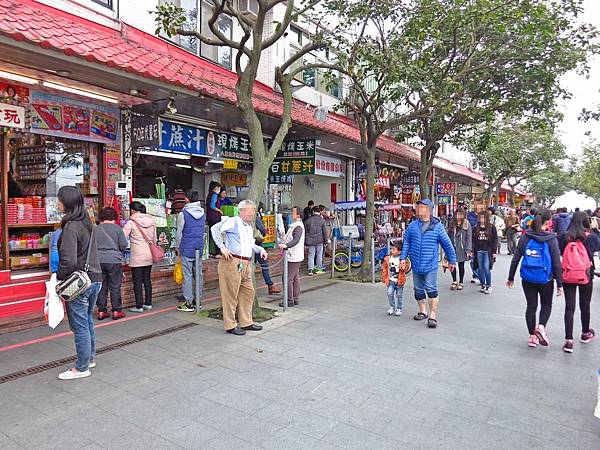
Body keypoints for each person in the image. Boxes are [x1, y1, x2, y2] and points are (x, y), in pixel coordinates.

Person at [56, 186, 102, 380]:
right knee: (87, 320)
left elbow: (68, 261)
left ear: (67, 203)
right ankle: (89, 358)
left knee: (80, 325)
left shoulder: (71, 227)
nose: (57, 203)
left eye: (59, 200)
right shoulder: (87, 222)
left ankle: (82, 367)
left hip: (79, 283)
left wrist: (58, 278)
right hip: (95, 279)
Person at [507, 210, 563, 348]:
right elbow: (556, 263)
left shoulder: (526, 237)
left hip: (528, 278)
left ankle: (532, 336)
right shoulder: (551, 239)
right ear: (547, 221)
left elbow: (516, 258)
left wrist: (511, 277)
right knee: (546, 305)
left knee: (531, 306)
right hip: (546, 279)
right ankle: (541, 327)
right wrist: (559, 284)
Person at [211, 200, 268, 335]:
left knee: (248, 292)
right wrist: (222, 247)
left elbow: (249, 245)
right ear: (241, 211)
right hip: (232, 261)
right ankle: (230, 325)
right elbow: (214, 229)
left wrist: (259, 249)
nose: (252, 213)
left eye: (253, 210)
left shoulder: (248, 226)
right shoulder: (234, 221)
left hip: (245, 263)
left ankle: (246, 322)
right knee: (230, 294)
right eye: (249, 210)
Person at [400, 199, 457, 329]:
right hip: (415, 263)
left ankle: (432, 316)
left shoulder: (438, 227)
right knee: (418, 290)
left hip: (430, 265)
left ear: (429, 210)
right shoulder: (412, 226)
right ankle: (422, 311)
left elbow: (447, 245)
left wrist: (452, 260)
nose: (419, 210)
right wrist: (403, 257)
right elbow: (407, 242)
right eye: (418, 207)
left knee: (431, 290)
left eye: (422, 208)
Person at [558, 211, 600, 353]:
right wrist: (595, 230)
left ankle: (569, 341)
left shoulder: (564, 237)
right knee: (585, 305)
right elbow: (597, 248)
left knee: (569, 308)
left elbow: (559, 251)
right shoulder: (592, 237)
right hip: (586, 275)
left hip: (568, 274)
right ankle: (585, 333)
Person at [123, 201, 157, 313]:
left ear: (132, 210)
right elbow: (154, 239)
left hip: (137, 256)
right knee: (147, 280)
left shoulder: (131, 222)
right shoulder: (151, 221)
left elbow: (122, 238)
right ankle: (148, 303)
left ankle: (139, 306)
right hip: (149, 255)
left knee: (137, 281)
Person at [175, 190, 206, 313]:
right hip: (198, 247)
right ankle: (198, 300)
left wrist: (177, 247)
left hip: (186, 247)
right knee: (198, 274)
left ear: (187, 199)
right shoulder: (203, 213)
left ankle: (188, 302)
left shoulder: (184, 213)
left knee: (187, 276)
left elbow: (179, 233)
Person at [96, 207, 128, 320]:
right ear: (114, 217)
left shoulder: (95, 229)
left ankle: (101, 311)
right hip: (114, 260)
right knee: (115, 286)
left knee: (101, 286)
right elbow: (123, 245)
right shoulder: (117, 229)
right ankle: (116, 311)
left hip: (98, 260)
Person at [278, 207, 305, 307]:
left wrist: (286, 245)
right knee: (294, 278)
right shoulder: (295, 226)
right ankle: (295, 298)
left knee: (287, 278)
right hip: (293, 255)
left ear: (297, 215)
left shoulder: (298, 227)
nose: (290, 214)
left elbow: (296, 239)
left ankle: (289, 300)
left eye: (292, 212)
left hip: (293, 256)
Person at [255, 205, 281, 295]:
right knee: (264, 265)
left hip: (250, 245)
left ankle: (270, 285)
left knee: (251, 265)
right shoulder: (256, 217)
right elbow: (263, 230)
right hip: (257, 244)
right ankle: (270, 286)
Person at [472, 211, 498, 294]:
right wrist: (472, 250)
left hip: (487, 250)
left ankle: (488, 285)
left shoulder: (491, 227)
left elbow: (495, 240)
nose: (482, 219)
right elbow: (473, 239)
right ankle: (483, 285)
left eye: (483, 217)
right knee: (480, 268)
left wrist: (494, 251)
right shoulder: (476, 227)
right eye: (480, 217)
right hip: (478, 250)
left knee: (486, 268)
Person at [447, 209, 472, 290]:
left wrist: (468, 249)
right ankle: (454, 281)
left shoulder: (466, 223)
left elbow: (469, 237)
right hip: (453, 246)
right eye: (457, 214)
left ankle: (461, 282)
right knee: (452, 264)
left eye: (460, 214)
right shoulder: (452, 223)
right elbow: (448, 235)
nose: (458, 216)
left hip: (462, 247)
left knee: (461, 265)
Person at [382, 242, 406, 316]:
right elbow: (385, 268)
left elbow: (406, 268)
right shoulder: (388, 258)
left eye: (393, 249)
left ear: (399, 251)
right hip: (391, 281)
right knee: (389, 293)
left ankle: (399, 308)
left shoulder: (402, 259)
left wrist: (404, 267)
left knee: (399, 295)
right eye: (391, 249)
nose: (391, 251)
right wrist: (385, 277)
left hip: (399, 281)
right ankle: (392, 306)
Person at [304, 206, 328, 275]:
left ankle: (310, 270)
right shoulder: (322, 220)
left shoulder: (308, 220)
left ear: (313, 212)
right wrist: (326, 241)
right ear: (319, 212)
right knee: (319, 255)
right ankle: (318, 269)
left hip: (310, 241)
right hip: (320, 241)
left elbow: (305, 231)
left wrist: (305, 241)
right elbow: (324, 232)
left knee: (311, 255)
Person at [206, 181, 222, 256]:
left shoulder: (209, 194)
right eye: (218, 187)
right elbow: (212, 206)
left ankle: (208, 252)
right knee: (216, 234)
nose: (219, 189)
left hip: (210, 217)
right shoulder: (214, 195)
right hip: (214, 218)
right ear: (214, 188)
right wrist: (219, 210)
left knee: (210, 235)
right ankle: (217, 253)